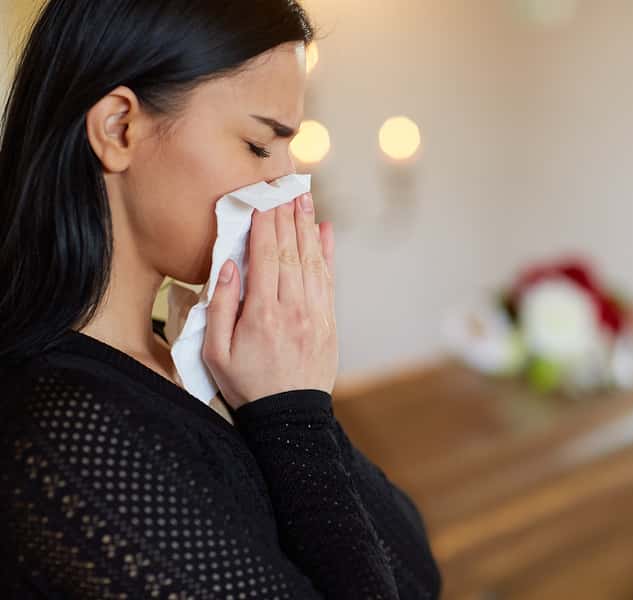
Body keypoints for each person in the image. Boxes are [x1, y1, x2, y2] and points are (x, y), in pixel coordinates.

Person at [0, 1, 443, 598]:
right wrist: (292, 412)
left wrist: (291, 401)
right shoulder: (64, 433)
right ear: (118, 128)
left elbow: (417, 575)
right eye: (261, 146)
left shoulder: (196, 363)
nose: (287, 186)